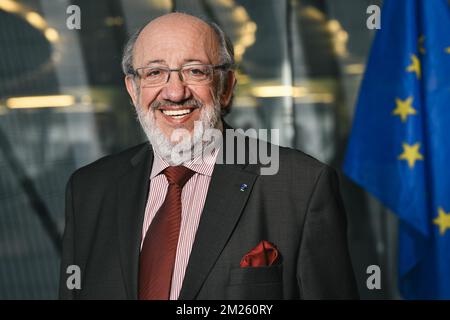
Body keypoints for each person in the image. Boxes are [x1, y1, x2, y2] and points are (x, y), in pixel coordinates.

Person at [59, 12, 358, 300]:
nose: (175, 93)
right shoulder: (88, 190)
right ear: (133, 89)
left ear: (226, 87)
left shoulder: (299, 185)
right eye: (154, 73)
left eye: (195, 71)